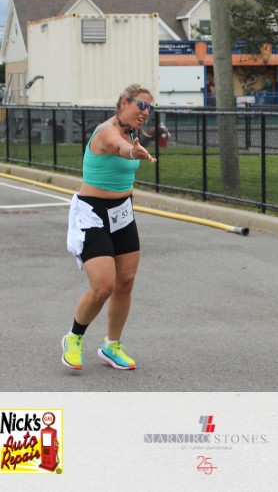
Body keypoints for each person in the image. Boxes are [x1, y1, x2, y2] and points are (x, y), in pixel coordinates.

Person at [62, 84, 157, 371]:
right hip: (93, 214)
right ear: (124, 103)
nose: (146, 112)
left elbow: (125, 156)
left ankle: (111, 346)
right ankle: (74, 337)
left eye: (150, 108)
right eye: (142, 105)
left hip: (122, 213)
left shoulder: (131, 134)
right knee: (103, 285)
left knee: (125, 282)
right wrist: (133, 152)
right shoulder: (107, 132)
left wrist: (133, 150)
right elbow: (119, 148)